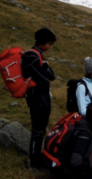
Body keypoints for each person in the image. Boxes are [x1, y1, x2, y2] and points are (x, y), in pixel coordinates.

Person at [21, 28, 56, 168]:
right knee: (38, 131)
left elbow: (51, 76)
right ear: (43, 42)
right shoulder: (32, 56)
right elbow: (45, 79)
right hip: (37, 98)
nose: (51, 46)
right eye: (50, 43)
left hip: (41, 97)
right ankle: (34, 162)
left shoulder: (39, 56)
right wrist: (46, 71)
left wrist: (46, 70)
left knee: (40, 130)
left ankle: (37, 157)